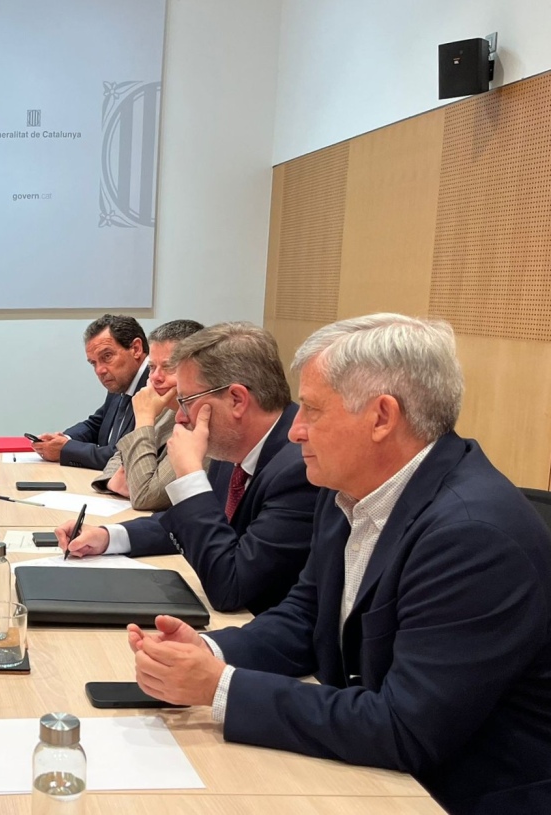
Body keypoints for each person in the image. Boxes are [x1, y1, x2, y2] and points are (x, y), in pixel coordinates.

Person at [124, 314, 551, 815]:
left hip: (454, 795)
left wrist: (221, 686)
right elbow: (306, 617)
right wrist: (209, 648)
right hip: (376, 770)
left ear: (381, 417)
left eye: (312, 410)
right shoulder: (346, 488)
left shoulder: (472, 537)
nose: (295, 430)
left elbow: (405, 727)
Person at [58, 323, 318, 614]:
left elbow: (230, 588)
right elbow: (187, 523)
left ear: (236, 400)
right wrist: (109, 537)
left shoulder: (300, 470)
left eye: (187, 402)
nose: (180, 418)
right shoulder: (233, 443)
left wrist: (191, 477)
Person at [91, 319, 205, 509]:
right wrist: (112, 480)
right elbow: (118, 458)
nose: (155, 378)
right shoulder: (166, 405)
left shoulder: (205, 423)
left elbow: (145, 496)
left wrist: (144, 419)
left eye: (168, 367)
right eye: (152, 367)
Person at [35, 315, 150, 470]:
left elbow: (125, 457)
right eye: (93, 363)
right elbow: (97, 424)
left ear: (136, 349)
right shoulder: (121, 381)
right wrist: (63, 439)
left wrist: (66, 449)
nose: (99, 370)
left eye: (107, 356)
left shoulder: (156, 387)